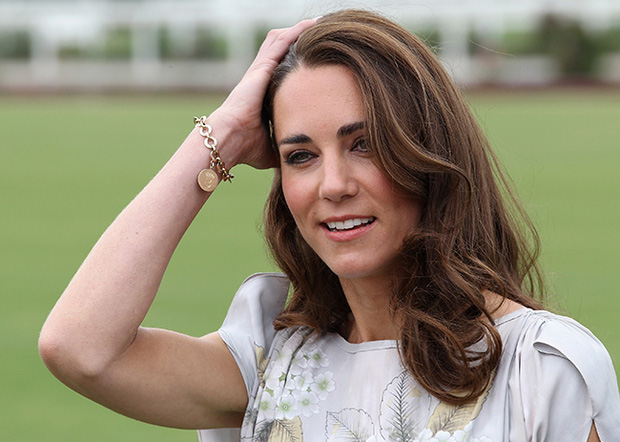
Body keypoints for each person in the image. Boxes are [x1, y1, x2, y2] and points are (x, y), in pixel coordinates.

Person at [39, 9, 619, 441]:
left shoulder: (541, 369)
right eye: (300, 156)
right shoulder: (275, 361)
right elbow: (80, 349)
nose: (333, 185)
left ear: (428, 151)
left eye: (364, 144)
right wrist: (223, 135)